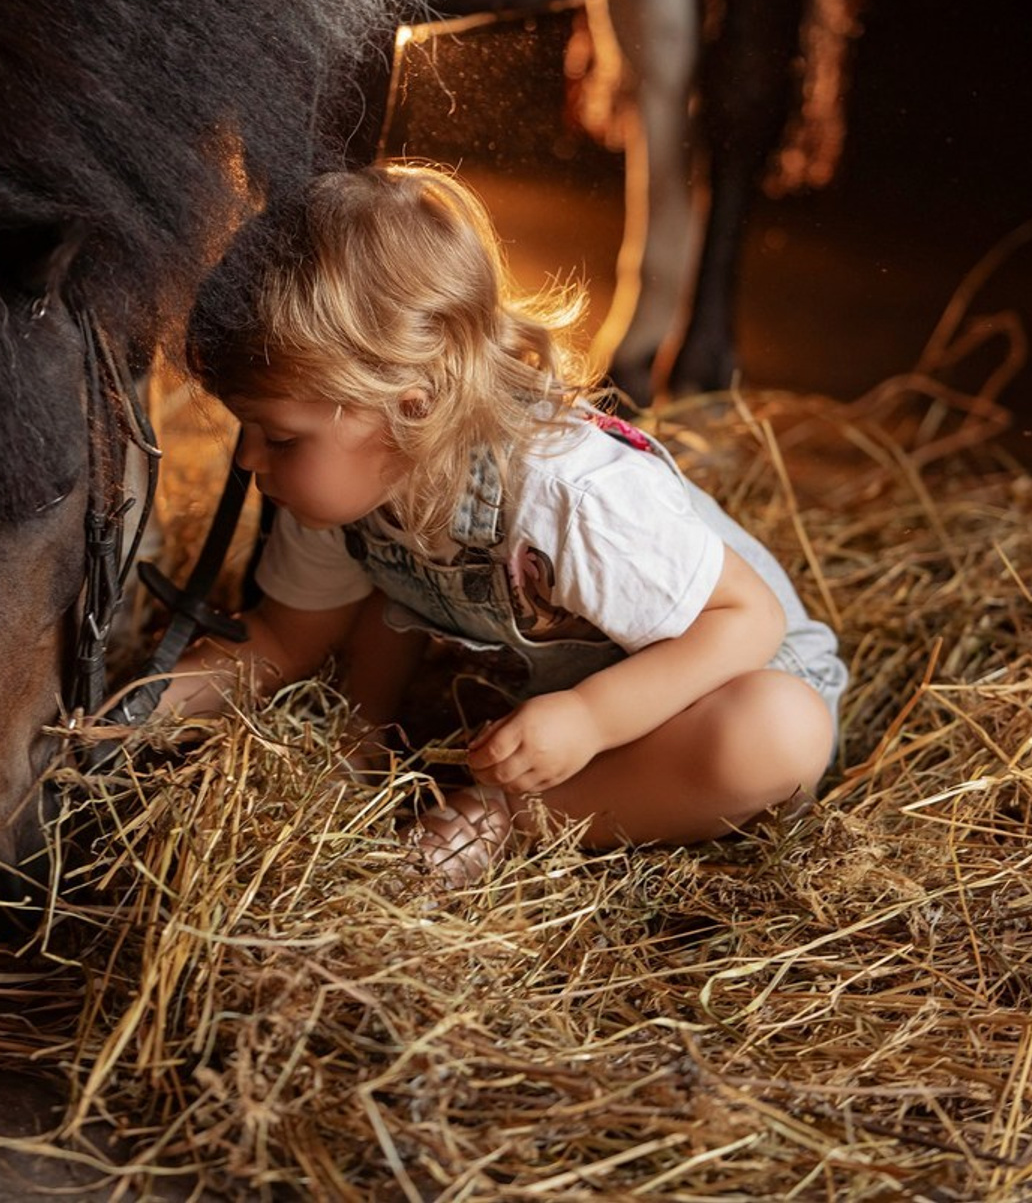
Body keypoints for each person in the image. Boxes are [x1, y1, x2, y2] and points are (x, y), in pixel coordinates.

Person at [156, 163, 846, 885]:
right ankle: (374, 749)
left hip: (715, 685)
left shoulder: (572, 493)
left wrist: (590, 719)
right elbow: (282, 642)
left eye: (280, 436)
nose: (247, 460)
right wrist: (122, 716)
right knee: (377, 592)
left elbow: (749, 617)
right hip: (550, 707)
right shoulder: (341, 487)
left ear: (411, 406)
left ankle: (508, 819)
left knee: (777, 735)